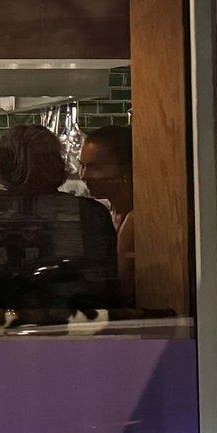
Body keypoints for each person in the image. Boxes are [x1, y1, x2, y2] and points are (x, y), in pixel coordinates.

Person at [0, 123, 119, 316]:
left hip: (4, 330)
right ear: (58, 163)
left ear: (1, 165)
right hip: (78, 331)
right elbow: (108, 289)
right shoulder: (91, 212)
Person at [78, 124, 138, 306]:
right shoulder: (106, 212)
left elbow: (122, 288)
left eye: (95, 167)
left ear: (127, 168)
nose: (84, 175)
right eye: (82, 166)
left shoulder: (136, 220)